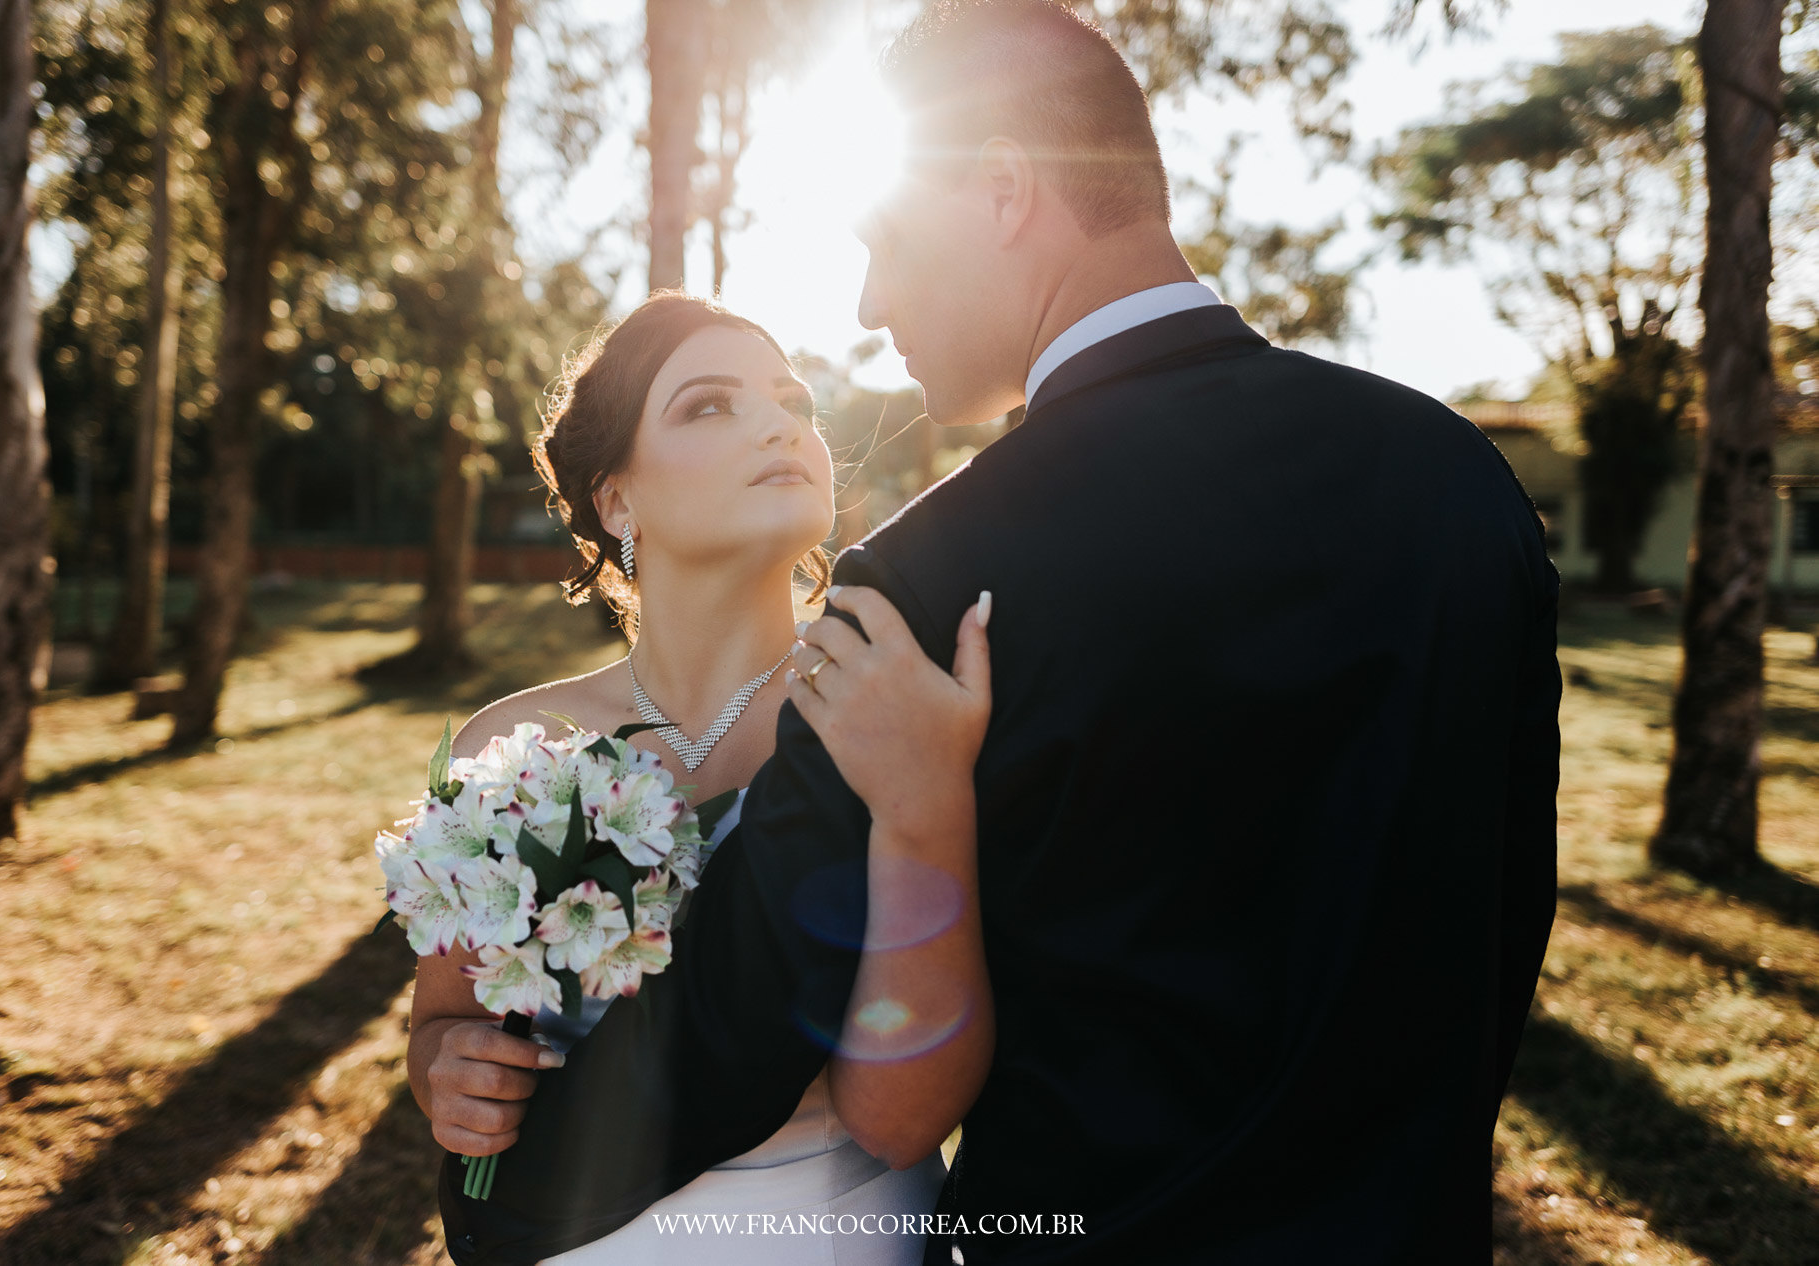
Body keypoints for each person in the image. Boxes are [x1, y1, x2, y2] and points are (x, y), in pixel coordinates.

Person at [444, 2, 1562, 1263]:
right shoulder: (1460, 485)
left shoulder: (937, 575)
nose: (869, 306)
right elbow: (1506, 911)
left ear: (999, 188)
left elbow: (741, 1015)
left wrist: (504, 1184)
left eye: (885, 241)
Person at [407, 292, 996, 1265]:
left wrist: (925, 809)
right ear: (617, 499)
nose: (781, 424)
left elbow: (903, 1117)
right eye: (708, 405)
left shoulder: (887, 700)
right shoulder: (511, 747)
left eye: (794, 402)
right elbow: (444, 1024)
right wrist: (447, 1072)